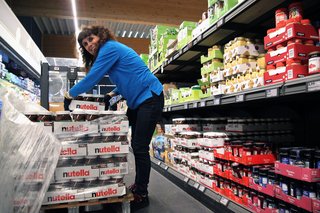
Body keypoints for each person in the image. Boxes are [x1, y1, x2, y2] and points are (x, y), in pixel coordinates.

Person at [64, 26, 164, 210]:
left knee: (140, 148)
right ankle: (138, 186)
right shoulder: (110, 50)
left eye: (91, 40)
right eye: (85, 44)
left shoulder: (109, 47)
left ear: (100, 36)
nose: (89, 45)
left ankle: (142, 194)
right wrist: (112, 94)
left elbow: (93, 78)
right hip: (137, 102)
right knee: (135, 145)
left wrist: (69, 94)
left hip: (149, 97)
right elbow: (127, 77)